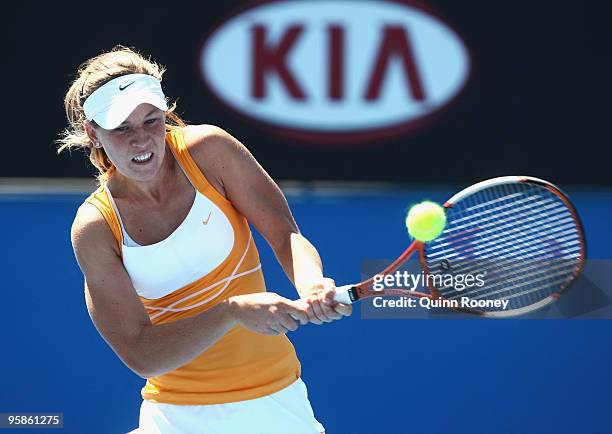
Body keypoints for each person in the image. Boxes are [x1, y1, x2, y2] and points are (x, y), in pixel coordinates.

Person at [58, 46, 351, 434]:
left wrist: (312, 284)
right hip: (172, 418)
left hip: (276, 403)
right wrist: (231, 311)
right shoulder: (95, 227)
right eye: (122, 128)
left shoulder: (210, 151)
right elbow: (142, 354)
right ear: (93, 133)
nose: (142, 140)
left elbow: (284, 234)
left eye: (151, 120)